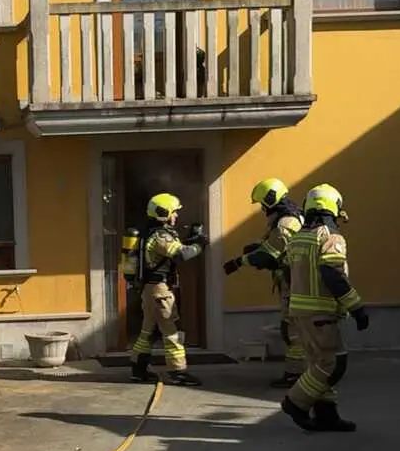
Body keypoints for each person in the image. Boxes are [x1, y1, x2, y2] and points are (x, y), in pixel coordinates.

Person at [280, 184, 368, 433]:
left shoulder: (297, 238)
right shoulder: (331, 237)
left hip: (300, 312)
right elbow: (332, 273)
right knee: (334, 364)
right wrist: (356, 306)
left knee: (317, 363)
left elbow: (288, 272)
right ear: (334, 208)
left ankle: (327, 415)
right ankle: (295, 403)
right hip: (320, 314)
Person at [223, 178, 306, 388]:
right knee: (293, 329)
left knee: (293, 331)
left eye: (263, 204)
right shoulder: (288, 219)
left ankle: (295, 375)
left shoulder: (287, 222)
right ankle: (302, 372)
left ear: (271, 200)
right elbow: (274, 246)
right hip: (293, 279)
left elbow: (269, 256)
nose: (262, 209)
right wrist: (256, 247)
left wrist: (238, 262)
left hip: (295, 282)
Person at [127, 193, 208, 387]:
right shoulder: (161, 236)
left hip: (149, 291)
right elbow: (181, 254)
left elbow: (176, 249)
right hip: (160, 291)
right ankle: (178, 372)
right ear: (164, 213)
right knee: (173, 332)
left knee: (147, 332)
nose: (176, 216)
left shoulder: (150, 234)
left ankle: (138, 371)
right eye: (174, 212)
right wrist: (200, 244)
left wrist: (191, 241)